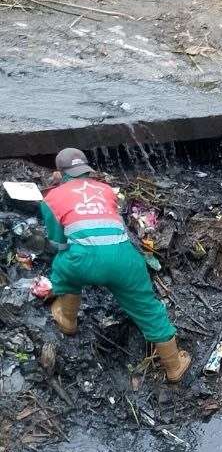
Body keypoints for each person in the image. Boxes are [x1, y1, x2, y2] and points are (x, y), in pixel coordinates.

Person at [41, 149, 191, 382]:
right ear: (87, 170)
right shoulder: (107, 190)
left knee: (64, 267)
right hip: (124, 260)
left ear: (60, 173)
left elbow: (58, 243)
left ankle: (67, 319)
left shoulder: (51, 198)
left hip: (82, 262)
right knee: (147, 308)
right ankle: (174, 366)